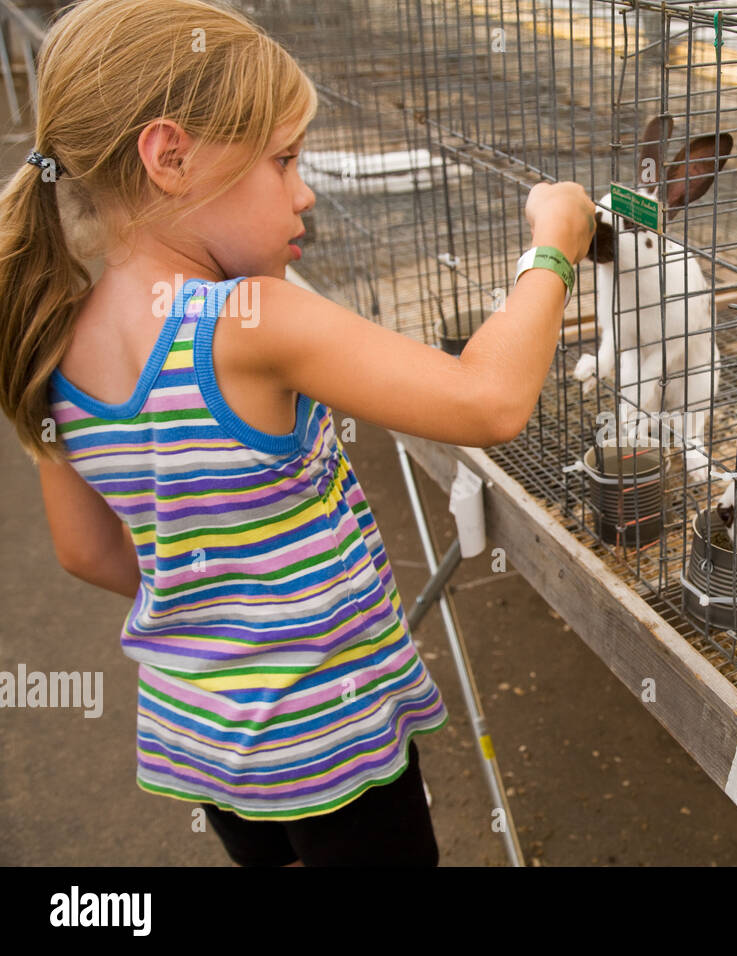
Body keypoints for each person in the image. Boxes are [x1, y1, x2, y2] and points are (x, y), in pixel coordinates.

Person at [0, 0, 595, 866]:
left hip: (203, 737)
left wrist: (224, 603)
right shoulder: (250, 319)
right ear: (170, 158)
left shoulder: (51, 335)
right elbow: (488, 400)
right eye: (283, 161)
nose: (304, 190)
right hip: (328, 740)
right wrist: (554, 246)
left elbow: (86, 553)